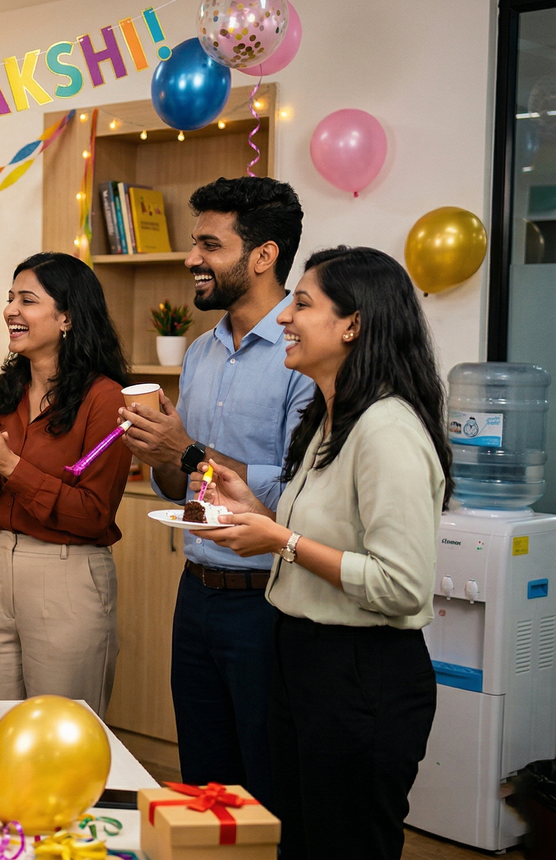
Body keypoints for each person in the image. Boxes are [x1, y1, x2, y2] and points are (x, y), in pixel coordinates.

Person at [192, 246, 449, 859]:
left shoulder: (387, 429)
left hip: (361, 671)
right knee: (300, 841)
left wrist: (281, 540)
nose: (284, 316)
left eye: (302, 304)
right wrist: (260, 514)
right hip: (301, 658)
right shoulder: (329, 419)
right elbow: (327, 535)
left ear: (352, 325)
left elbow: (401, 586)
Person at [119, 176, 314, 807]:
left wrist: (188, 451)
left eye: (210, 245)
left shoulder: (302, 352)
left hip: (269, 602)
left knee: (266, 786)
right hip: (197, 594)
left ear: (263, 256)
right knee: (202, 785)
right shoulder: (200, 351)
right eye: (193, 242)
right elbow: (179, 484)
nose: (191, 259)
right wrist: (160, 452)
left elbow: (300, 489)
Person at [0, 252, 132, 716]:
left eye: (27, 301)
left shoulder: (106, 399)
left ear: (67, 317)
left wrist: (11, 467)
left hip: (67, 575)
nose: (10, 310)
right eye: (10, 298)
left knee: (59, 732)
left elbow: (93, 515)